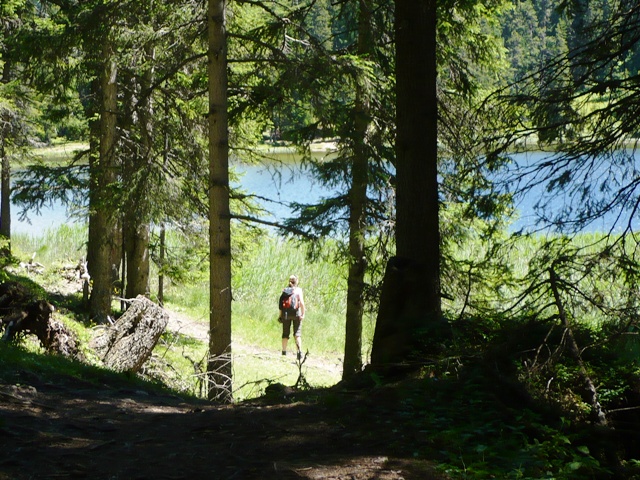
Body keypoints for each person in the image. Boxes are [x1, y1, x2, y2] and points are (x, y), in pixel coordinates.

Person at [280, 274, 305, 360]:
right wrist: (303, 313)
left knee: (285, 333)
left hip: (286, 314)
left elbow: (280, 305)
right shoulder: (299, 290)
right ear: (297, 281)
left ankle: (283, 352)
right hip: (296, 314)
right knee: (297, 333)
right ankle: (299, 352)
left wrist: (280, 316)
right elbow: (301, 303)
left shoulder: (285, 290)